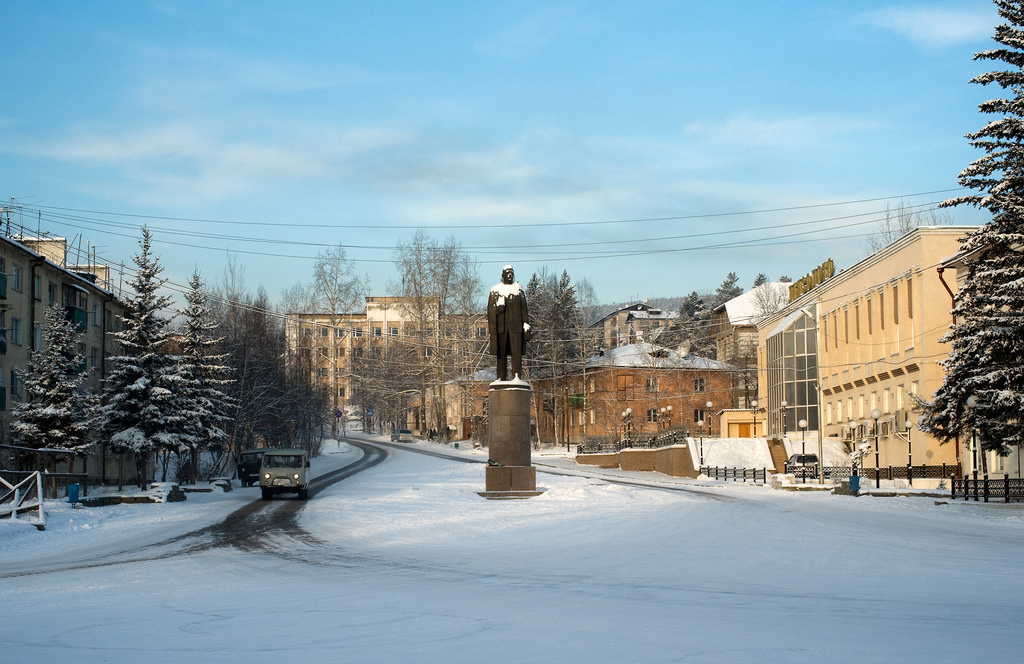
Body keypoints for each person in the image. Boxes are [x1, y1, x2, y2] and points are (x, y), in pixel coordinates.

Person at [487, 265, 530, 381]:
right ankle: (501, 378)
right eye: (507, 273)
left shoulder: (518, 290)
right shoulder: (495, 291)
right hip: (501, 329)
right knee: (501, 355)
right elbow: (490, 311)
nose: (510, 275)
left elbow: (524, 310)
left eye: (511, 273)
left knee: (516, 354)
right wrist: (497, 309)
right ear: (503, 275)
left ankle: (517, 377)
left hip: (516, 329)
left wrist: (526, 325)